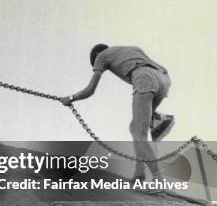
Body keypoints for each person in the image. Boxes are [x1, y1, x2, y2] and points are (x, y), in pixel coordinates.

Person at [59, 44, 175, 182]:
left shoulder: (101, 56)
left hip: (144, 78)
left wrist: (71, 98)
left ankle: (158, 179)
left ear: (96, 55)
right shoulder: (132, 49)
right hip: (164, 79)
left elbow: (90, 90)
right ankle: (139, 174)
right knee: (135, 127)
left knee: (139, 133)